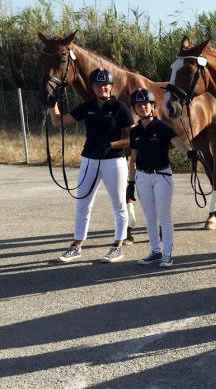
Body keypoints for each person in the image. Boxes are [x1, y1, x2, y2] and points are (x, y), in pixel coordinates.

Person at [51, 68, 133, 263]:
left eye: (105, 85)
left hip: (114, 160)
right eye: (98, 85)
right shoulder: (86, 107)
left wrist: (110, 145)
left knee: (119, 204)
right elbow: (58, 123)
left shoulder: (121, 108)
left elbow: (131, 139)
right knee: (83, 204)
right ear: (92, 87)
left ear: (111, 87)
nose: (102, 88)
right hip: (89, 159)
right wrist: (52, 102)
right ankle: (77, 244)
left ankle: (117, 245)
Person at [127, 88, 197, 268]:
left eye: (146, 104)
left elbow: (177, 143)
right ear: (135, 109)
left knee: (164, 217)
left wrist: (189, 153)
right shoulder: (135, 132)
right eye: (138, 105)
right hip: (143, 177)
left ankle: (167, 254)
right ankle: (155, 251)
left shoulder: (162, 127)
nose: (142, 107)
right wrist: (130, 182)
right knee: (150, 217)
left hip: (162, 176)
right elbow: (132, 159)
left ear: (152, 106)